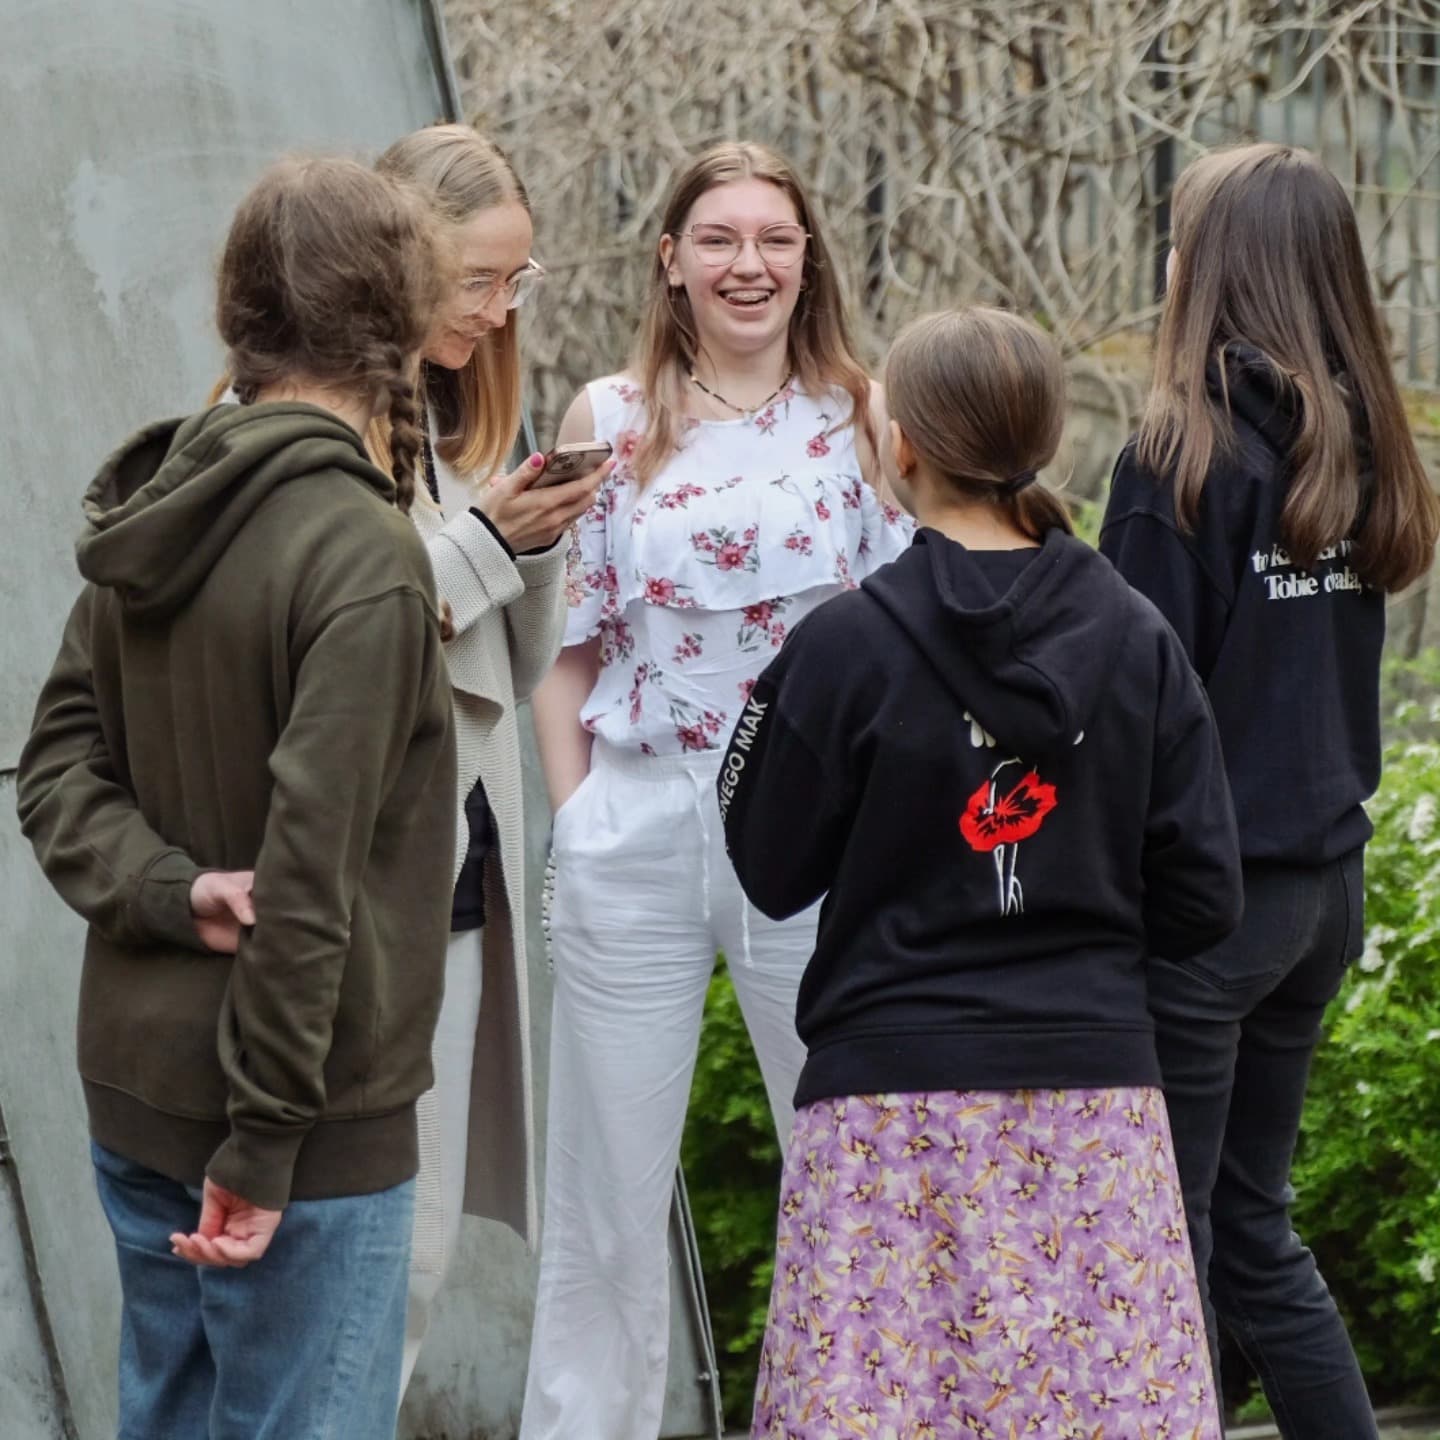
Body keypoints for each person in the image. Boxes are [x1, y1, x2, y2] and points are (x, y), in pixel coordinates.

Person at [720, 306, 1244, 1440]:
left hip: (887, 1109)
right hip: (1094, 1104)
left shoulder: (844, 646)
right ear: (1044, 441)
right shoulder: (1139, 639)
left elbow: (767, 863)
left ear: (902, 445)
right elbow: (1207, 893)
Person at [15, 157, 457, 1439]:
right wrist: (264, 1146)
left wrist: (169, 890)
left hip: (141, 1089)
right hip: (298, 1134)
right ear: (402, 316)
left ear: (238, 311)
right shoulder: (361, 552)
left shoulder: (159, 505)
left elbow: (54, 771)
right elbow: (308, 880)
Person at [523, 140, 913, 1439]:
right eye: (720, 238)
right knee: (605, 1191)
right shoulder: (606, 418)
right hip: (639, 818)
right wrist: (578, 818)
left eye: (774, 239)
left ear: (808, 260)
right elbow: (567, 649)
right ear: (671, 260)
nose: (750, 264)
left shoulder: (865, 414)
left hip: (818, 835)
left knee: (848, 1163)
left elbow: (912, 644)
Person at [1099, 142, 1440, 1438]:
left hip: (1208, 911)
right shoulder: (1360, 445)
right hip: (1320, 897)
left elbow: (1127, 709)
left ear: (1205, 269)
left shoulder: (1178, 457)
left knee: (1164, 1239)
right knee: (1251, 1229)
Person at [372, 123, 610, 1392]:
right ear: (393, 256)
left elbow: (504, 673)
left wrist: (535, 537)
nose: (499, 309)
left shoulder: (450, 415)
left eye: (518, 281)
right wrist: (486, 544)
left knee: (416, 1257)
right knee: (373, 1258)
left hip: (461, 871)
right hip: (363, 882)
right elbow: (348, 632)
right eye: (479, 279)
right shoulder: (308, 425)